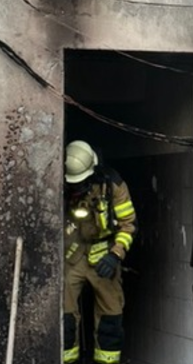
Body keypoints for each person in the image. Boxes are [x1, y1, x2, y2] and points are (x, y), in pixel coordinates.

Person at [62, 140, 137, 364]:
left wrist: (115, 254)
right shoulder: (61, 181)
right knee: (64, 318)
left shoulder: (112, 185)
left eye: (81, 183)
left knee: (110, 317)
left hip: (104, 256)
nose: (78, 187)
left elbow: (128, 225)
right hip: (72, 255)